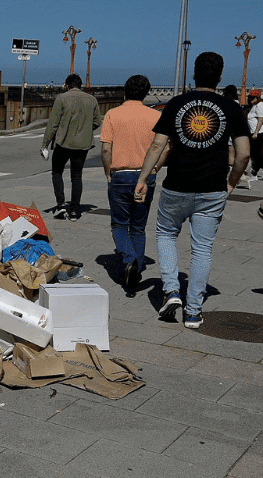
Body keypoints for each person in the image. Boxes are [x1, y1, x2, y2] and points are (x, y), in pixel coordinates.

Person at [134, 51, 251, 329]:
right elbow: (244, 154)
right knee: (202, 249)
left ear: (194, 74)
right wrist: (231, 183)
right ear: (220, 77)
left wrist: (143, 177)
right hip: (212, 189)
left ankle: (172, 291)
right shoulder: (232, 108)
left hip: (177, 186)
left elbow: (157, 146)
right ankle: (194, 312)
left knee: (165, 234)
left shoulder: (176, 104)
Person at [100, 75, 164, 291]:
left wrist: (109, 172)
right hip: (146, 176)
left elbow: (106, 148)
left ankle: (129, 261)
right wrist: (155, 168)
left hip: (121, 175)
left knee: (119, 224)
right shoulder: (155, 115)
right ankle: (137, 266)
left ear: (125, 92)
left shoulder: (112, 114)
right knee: (138, 227)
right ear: (146, 93)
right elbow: (165, 147)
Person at [41, 74, 103, 221]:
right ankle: (75, 210)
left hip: (63, 142)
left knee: (57, 172)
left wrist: (44, 144)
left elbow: (53, 124)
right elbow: (97, 122)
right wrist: (85, 130)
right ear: (80, 85)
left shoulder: (62, 98)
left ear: (68, 85)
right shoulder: (92, 99)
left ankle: (61, 205)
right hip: (82, 144)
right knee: (76, 176)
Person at [246, 89, 263, 178]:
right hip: (254, 132)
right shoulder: (255, 106)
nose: (249, 99)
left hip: (258, 133)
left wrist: (256, 133)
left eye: (251, 97)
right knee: (255, 153)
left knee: (256, 154)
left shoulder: (259, 105)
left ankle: (254, 173)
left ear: (256, 98)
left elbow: (261, 119)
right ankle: (254, 172)